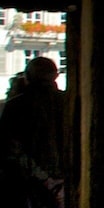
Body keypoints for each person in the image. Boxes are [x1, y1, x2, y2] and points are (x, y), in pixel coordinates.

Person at [1, 57, 67, 206]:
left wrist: (45, 179)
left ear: (28, 77)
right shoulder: (68, 102)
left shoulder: (15, 106)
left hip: (28, 185)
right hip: (66, 182)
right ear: (55, 76)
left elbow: (10, 149)